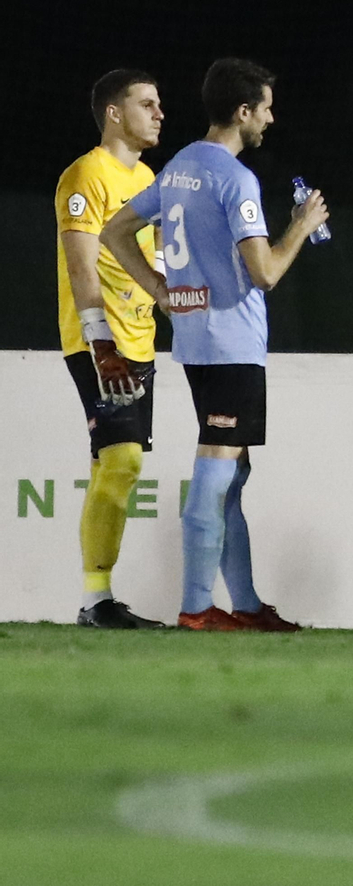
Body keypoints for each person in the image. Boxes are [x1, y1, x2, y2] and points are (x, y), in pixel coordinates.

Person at [102, 57, 328, 632]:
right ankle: (196, 607)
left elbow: (115, 230)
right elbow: (266, 272)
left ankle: (246, 605)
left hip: (198, 341)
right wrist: (302, 224)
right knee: (217, 465)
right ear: (243, 111)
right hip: (231, 341)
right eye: (267, 109)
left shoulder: (177, 166)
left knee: (234, 475)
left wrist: (158, 288)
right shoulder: (234, 178)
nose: (271, 120)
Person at [56, 69, 167, 628]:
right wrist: (102, 342)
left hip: (140, 343)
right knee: (122, 459)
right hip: (100, 343)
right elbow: (80, 264)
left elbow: (158, 261)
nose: (160, 113)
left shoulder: (150, 178)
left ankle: (97, 602)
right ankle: (96, 601)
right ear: (114, 114)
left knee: (114, 464)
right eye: (147, 104)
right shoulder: (84, 175)